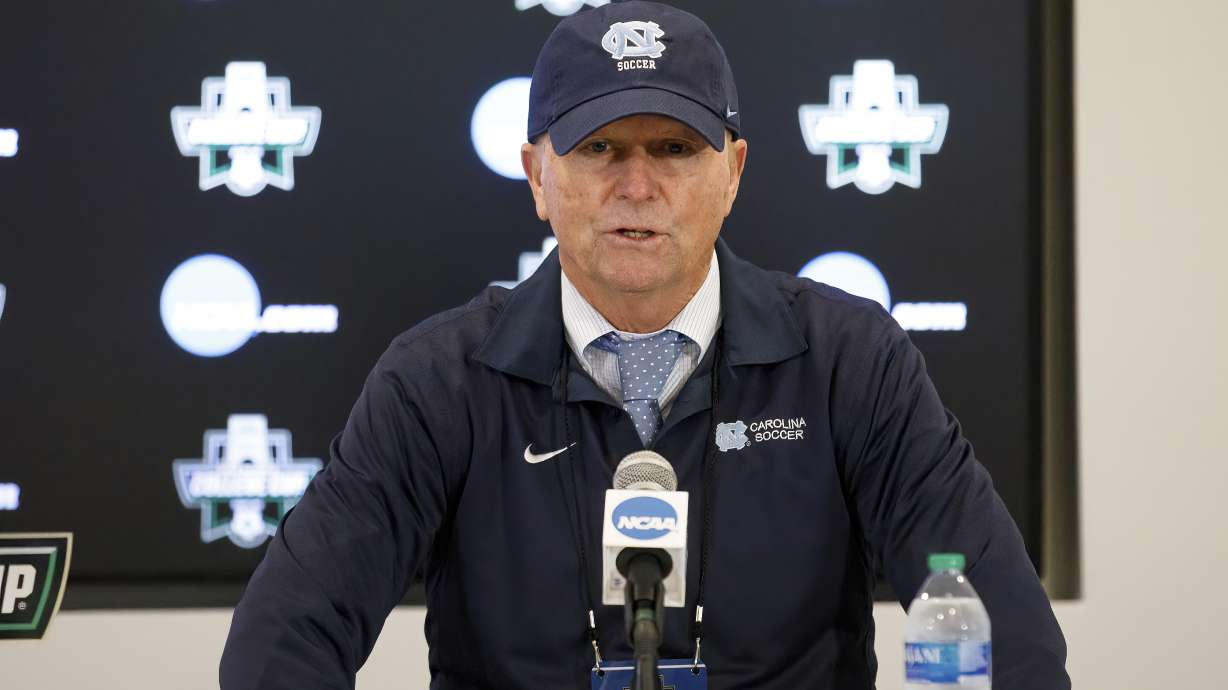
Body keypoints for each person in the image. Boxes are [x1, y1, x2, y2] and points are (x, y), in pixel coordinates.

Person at [220, 2, 1070, 688]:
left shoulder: (852, 362)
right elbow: (280, 646)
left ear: (733, 172)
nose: (637, 185)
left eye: (673, 148)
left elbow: (1007, 640)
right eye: (598, 148)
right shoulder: (437, 383)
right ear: (537, 177)